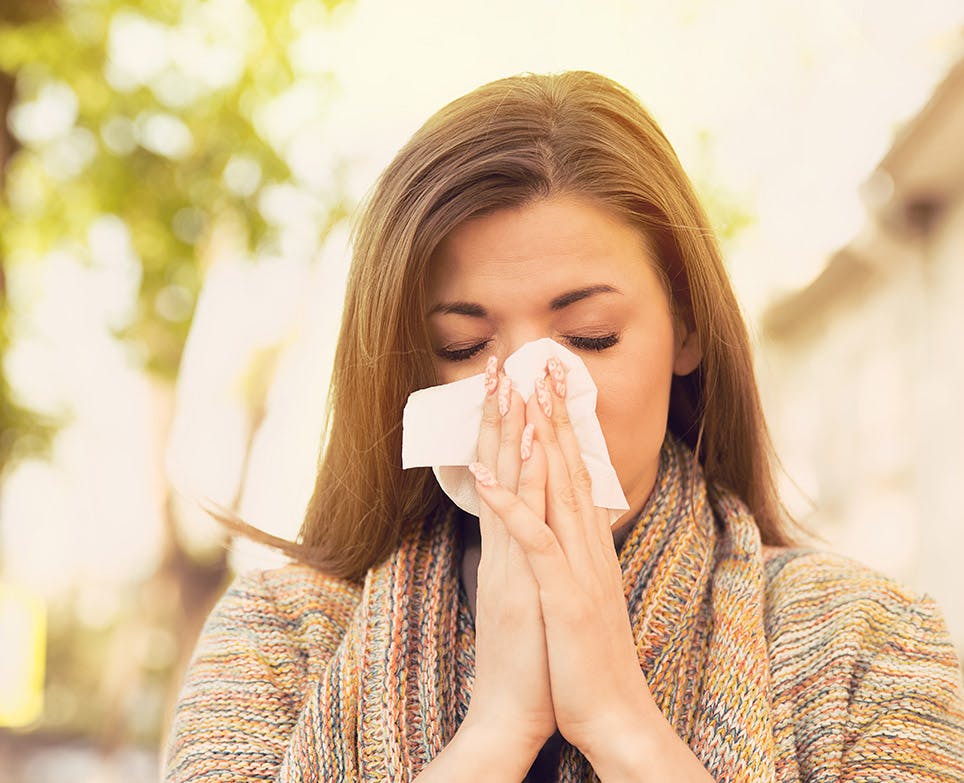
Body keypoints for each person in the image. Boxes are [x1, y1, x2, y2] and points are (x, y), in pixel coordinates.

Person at [162, 70, 964, 782]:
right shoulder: (277, 642)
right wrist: (497, 732)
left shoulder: (868, 645)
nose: (530, 395)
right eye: (464, 346)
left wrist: (621, 722)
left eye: (589, 337)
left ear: (684, 330)